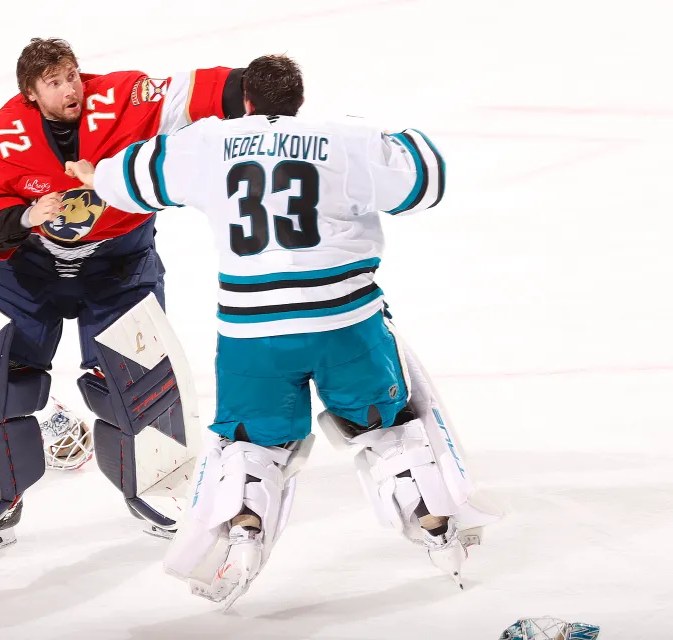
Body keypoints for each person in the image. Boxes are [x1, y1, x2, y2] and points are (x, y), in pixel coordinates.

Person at [67, 54, 500, 608]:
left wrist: (91, 174)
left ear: (246, 101)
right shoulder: (342, 140)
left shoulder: (206, 145)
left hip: (252, 335)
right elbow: (425, 178)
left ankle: (243, 543)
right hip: (346, 323)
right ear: (299, 99)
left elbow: (129, 178)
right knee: (387, 432)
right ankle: (440, 534)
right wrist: (388, 137)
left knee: (251, 448)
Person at [0, 38, 249, 563]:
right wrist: (27, 218)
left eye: (73, 75)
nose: (70, 88)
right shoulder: (0, 136)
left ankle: (157, 481)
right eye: (54, 82)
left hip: (118, 263)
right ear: (30, 94)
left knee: (132, 378)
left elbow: (191, 94)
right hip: (27, 268)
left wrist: (252, 89)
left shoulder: (124, 97)